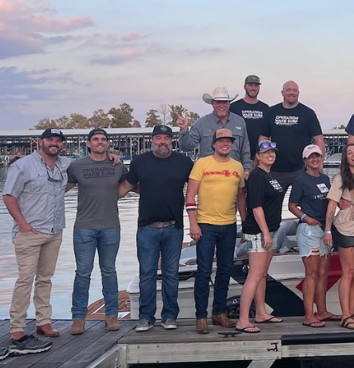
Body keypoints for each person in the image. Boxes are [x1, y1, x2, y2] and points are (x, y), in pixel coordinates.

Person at [2, 128, 72, 354]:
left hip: (54, 230)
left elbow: (89, 162)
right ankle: (17, 329)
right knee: (25, 280)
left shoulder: (64, 164)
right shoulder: (22, 166)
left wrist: (111, 156)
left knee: (45, 279)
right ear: (40, 142)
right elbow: (8, 196)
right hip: (29, 232)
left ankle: (44, 321)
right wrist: (22, 223)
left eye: (58, 141)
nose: (55, 144)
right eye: (51, 140)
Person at [119, 125, 193, 332]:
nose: (163, 141)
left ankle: (170, 316)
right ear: (153, 140)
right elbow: (125, 187)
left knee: (171, 274)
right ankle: (146, 317)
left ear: (172, 141)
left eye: (167, 138)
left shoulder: (184, 162)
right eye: (158, 137)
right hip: (147, 228)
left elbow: (198, 187)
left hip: (174, 227)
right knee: (147, 274)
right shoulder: (140, 161)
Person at [65, 128, 127, 334]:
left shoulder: (117, 165)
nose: (100, 142)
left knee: (109, 271)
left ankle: (111, 316)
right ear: (88, 143)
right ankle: (78, 318)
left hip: (111, 226)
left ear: (108, 143)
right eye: (96, 139)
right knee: (82, 273)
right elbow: (59, 188)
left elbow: (131, 185)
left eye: (103, 139)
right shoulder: (76, 166)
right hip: (84, 227)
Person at [185, 128, 246, 334]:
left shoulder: (237, 166)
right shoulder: (202, 163)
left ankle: (219, 312)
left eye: (229, 141)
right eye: (221, 141)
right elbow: (190, 196)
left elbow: (240, 198)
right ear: (213, 144)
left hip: (229, 225)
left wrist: (244, 223)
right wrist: (193, 224)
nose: (225, 144)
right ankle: (201, 316)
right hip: (205, 224)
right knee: (203, 271)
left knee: (225, 270)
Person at [235, 140, 288, 333]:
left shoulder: (269, 175)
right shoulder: (257, 176)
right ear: (257, 156)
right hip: (258, 231)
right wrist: (265, 233)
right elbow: (255, 207)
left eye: (273, 152)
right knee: (255, 274)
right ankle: (242, 320)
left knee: (262, 274)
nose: (270, 155)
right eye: (266, 153)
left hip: (271, 229)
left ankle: (260, 312)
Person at [288, 144, 340, 328]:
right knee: (311, 273)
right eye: (311, 157)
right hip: (309, 230)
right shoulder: (301, 180)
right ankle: (309, 315)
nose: (315, 159)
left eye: (317, 156)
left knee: (323, 273)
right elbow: (292, 205)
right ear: (305, 161)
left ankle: (323, 311)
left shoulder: (326, 178)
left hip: (324, 230)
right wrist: (305, 217)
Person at [324, 144, 354, 330]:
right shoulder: (340, 178)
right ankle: (345, 316)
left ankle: (351, 312)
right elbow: (331, 207)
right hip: (345, 229)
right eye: (349, 153)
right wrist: (328, 230)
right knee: (348, 272)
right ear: (345, 158)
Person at [260, 80, 325, 189]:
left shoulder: (308, 113)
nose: (292, 93)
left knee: (305, 202)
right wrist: (262, 162)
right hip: (275, 168)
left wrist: (320, 163)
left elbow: (318, 139)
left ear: (298, 93)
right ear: (282, 92)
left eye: (295, 90)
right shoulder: (271, 112)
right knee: (272, 204)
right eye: (288, 90)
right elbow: (263, 138)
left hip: (301, 169)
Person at [178, 86, 252, 173]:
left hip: (234, 174)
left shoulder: (240, 122)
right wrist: (184, 130)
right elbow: (186, 147)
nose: (222, 105)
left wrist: (247, 170)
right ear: (212, 103)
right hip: (208, 175)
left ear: (229, 103)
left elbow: (245, 150)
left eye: (224, 102)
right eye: (218, 102)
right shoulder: (201, 123)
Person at [230, 75, 269, 155]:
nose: (253, 88)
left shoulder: (266, 108)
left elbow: (268, 134)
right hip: (237, 153)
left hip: (259, 154)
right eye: (250, 85)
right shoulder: (234, 107)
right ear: (244, 86)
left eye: (256, 85)